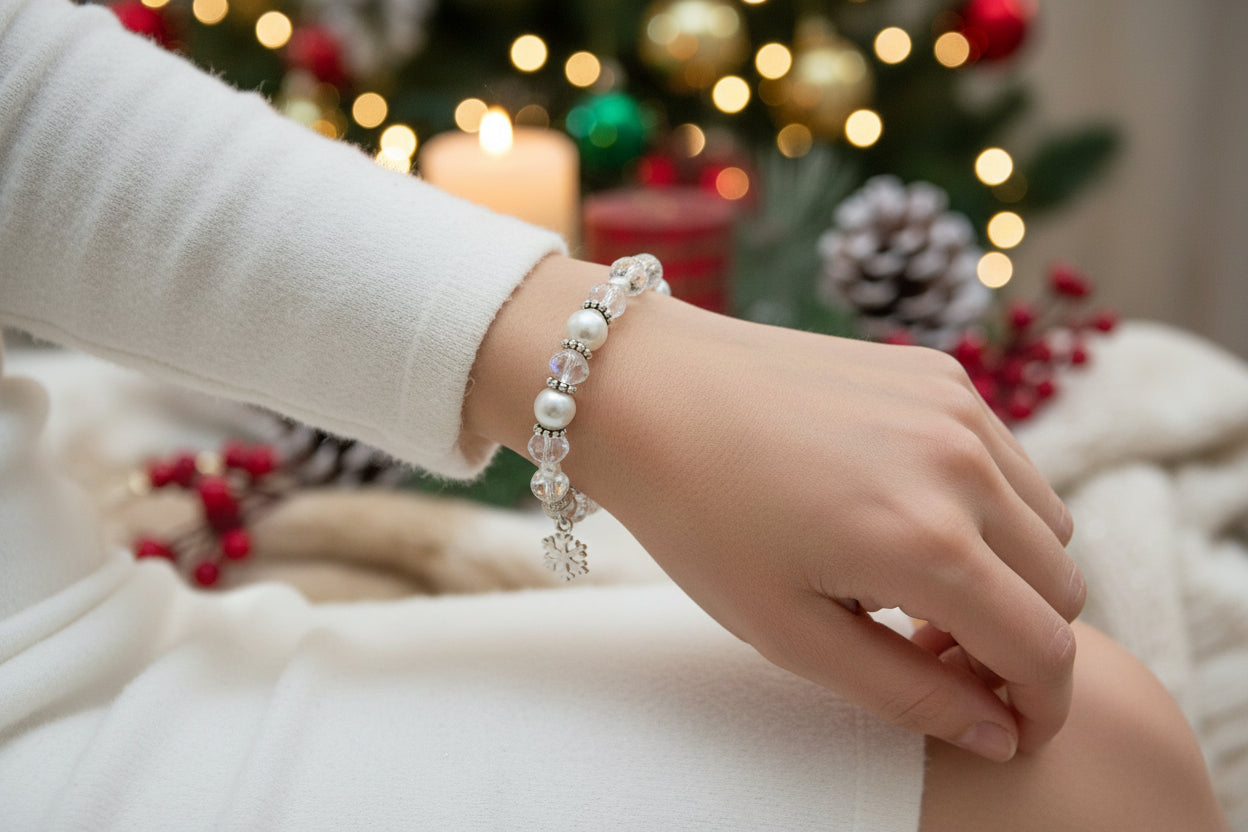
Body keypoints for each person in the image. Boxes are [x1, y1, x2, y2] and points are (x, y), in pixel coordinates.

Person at [0, 0, 1229, 829]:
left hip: (69, 621)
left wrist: (620, 363)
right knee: (1085, 767)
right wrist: (595, 368)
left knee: (1075, 734)